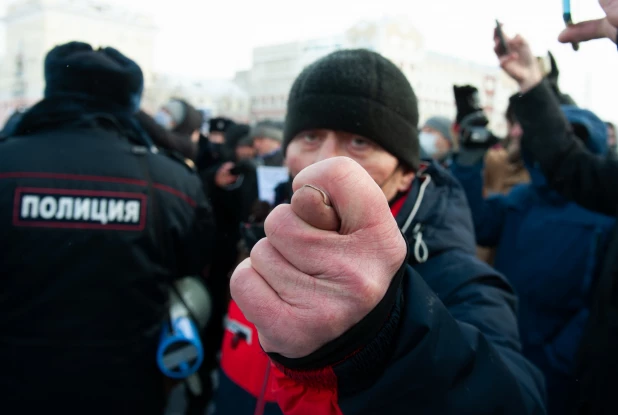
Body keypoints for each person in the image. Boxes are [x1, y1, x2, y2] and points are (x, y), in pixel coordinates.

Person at [214, 49, 546, 415]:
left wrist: (384, 332)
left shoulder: (456, 278)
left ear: (406, 171)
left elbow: (519, 401)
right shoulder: (262, 236)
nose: (325, 160)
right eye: (310, 136)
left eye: (360, 142)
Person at [0, 42, 214, 414]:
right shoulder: (172, 181)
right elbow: (196, 266)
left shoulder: (8, 162)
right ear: (129, 102)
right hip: (127, 386)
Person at [451, 101, 615, 415]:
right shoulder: (522, 198)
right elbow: (475, 222)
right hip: (505, 337)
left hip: (561, 361)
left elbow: (600, 301)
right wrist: (468, 164)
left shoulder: (606, 215)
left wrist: (561, 355)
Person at [493, 6, 618, 413]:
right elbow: (568, 163)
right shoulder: (525, 200)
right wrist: (531, 81)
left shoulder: (600, 222)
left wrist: (560, 359)